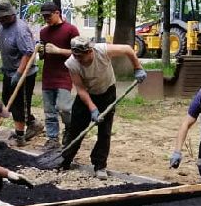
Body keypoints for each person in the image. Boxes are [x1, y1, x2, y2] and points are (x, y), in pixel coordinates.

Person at [59, 36, 147, 177]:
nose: (78, 59)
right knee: (75, 129)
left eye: (80, 56)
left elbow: (128, 49)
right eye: (75, 55)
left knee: (104, 132)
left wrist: (138, 68)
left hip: (107, 93)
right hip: (87, 95)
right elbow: (80, 89)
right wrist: (92, 108)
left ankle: (99, 165)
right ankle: (65, 159)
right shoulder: (72, 63)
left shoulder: (102, 51)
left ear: (90, 51)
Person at [0, 1, 41, 145]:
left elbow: (28, 52)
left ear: (12, 14)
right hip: (9, 71)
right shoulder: (3, 26)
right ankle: (32, 123)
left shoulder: (20, 29)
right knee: (7, 99)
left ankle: (20, 137)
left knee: (19, 103)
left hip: (24, 74)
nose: (1, 20)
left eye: (4, 17)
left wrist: (19, 74)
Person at [36, 1, 79, 148]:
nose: (46, 19)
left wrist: (59, 51)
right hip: (48, 76)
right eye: (44, 17)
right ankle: (53, 139)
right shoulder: (43, 32)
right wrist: (41, 52)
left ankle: (70, 129)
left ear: (57, 13)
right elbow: (43, 56)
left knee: (64, 108)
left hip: (65, 75)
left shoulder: (71, 30)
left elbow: (78, 53)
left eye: (48, 16)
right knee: (49, 111)